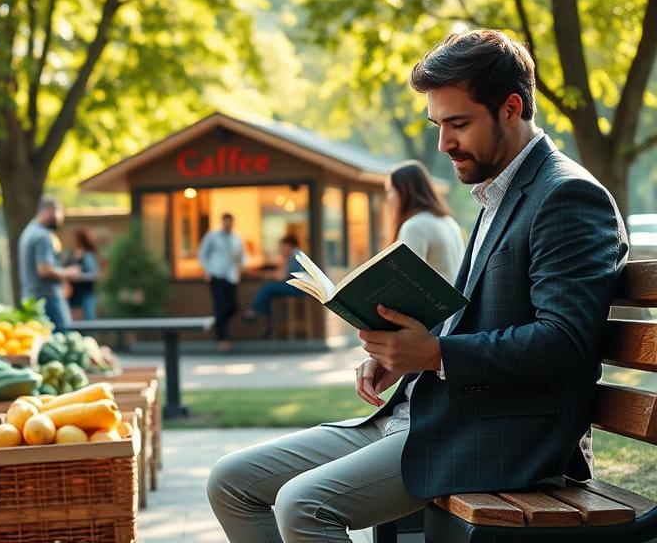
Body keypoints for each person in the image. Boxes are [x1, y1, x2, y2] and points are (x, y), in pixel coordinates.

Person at [208, 29, 627, 542]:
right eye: (437, 124)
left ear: (511, 108)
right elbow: (478, 315)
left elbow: (565, 342)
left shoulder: (567, 196)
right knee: (230, 480)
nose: (443, 143)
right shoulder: (503, 189)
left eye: (458, 124)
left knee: (303, 504)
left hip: (494, 434)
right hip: (428, 411)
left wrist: (433, 354)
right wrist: (398, 355)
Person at [384, 160, 464, 284]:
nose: (388, 198)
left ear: (404, 191)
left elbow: (406, 282)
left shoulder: (414, 226)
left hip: (437, 302)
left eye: (390, 191)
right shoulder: (449, 221)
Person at [18, 196, 80, 332]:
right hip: (48, 298)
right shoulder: (43, 236)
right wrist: (69, 273)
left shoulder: (28, 231)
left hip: (32, 297)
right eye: (60, 213)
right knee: (63, 338)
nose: (61, 219)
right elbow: (44, 270)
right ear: (49, 211)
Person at [198, 212, 246, 351]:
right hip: (216, 274)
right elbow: (202, 253)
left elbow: (242, 256)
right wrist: (207, 270)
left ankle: (217, 324)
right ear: (222, 222)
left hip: (231, 275)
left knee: (233, 306)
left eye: (230, 222)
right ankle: (221, 338)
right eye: (226, 222)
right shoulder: (212, 236)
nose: (228, 224)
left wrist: (241, 268)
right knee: (219, 306)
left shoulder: (236, 238)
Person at [242, 234, 305, 338]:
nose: (280, 249)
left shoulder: (295, 253)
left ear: (289, 245)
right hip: (296, 287)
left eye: (282, 247)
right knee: (268, 293)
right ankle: (267, 323)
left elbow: (281, 276)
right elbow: (281, 274)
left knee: (268, 287)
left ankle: (255, 313)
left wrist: (264, 274)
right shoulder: (293, 254)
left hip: (299, 288)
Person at [64, 227, 101, 321]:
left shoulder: (87, 255)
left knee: (89, 320)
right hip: (72, 295)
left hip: (86, 293)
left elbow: (95, 274)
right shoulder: (69, 254)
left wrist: (80, 276)